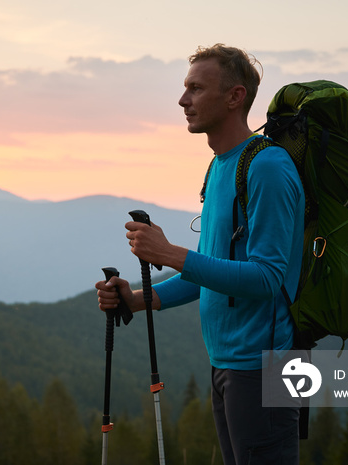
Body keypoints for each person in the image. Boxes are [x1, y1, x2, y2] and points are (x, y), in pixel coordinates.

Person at [95, 44, 306, 465]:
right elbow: (212, 270)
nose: (182, 99)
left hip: (266, 369)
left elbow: (267, 279)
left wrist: (170, 253)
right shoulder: (222, 166)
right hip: (227, 364)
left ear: (234, 97)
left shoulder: (267, 167)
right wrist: (138, 300)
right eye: (184, 87)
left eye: (195, 88)